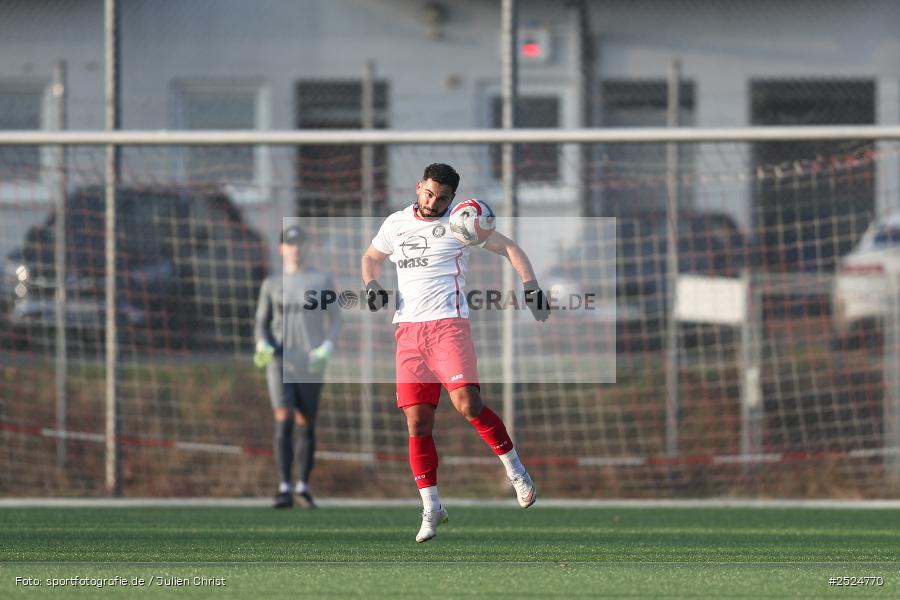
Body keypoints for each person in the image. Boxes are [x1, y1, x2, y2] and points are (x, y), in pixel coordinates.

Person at [360, 163, 550, 542]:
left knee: (468, 404)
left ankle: (515, 470)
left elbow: (510, 247)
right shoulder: (395, 223)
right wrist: (371, 284)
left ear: (452, 198)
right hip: (408, 334)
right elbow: (370, 258)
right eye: (428, 193)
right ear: (419, 187)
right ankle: (432, 508)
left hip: (448, 327)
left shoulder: (462, 224)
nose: (433, 202)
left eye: (442, 197)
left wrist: (531, 287)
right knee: (417, 423)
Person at [254, 225, 342, 509]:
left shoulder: (322, 280)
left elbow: (336, 319)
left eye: (300, 243)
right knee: (283, 418)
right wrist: (262, 344)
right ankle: (283, 486)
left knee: (306, 422)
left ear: (307, 247)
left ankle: (303, 486)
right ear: (282, 248)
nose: (295, 248)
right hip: (281, 362)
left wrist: (327, 346)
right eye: (290, 244)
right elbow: (261, 323)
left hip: (310, 362)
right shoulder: (271, 284)